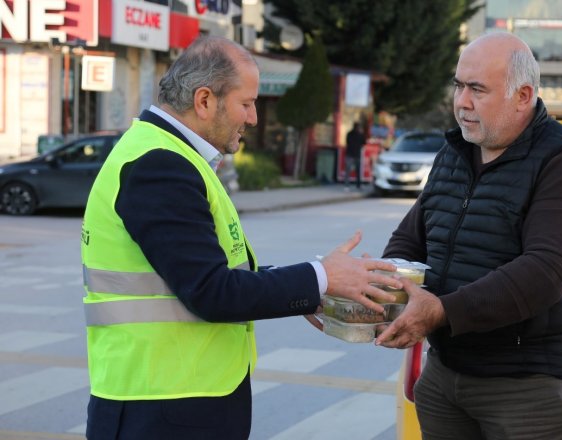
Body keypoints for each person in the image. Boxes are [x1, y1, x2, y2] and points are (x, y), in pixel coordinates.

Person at [80, 36, 400, 440]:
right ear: (204, 101)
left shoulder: (170, 156)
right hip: (164, 404)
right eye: (246, 104)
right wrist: (319, 276)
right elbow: (211, 291)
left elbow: (212, 273)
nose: (253, 117)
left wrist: (316, 285)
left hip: (174, 397)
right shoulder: (160, 165)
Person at [375, 32, 562, 440]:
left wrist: (442, 312)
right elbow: (411, 240)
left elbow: (545, 272)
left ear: (523, 95)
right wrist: (381, 294)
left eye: (477, 89)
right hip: (447, 375)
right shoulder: (454, 153)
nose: (461, 102)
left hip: (528, 388)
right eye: (459, 86)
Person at [344, 122, 366, 189]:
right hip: (356, 154)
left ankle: (347, 185)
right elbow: (364, 143)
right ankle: (358, 185)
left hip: (350, 153)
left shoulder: (349, 134)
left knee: (348, 170)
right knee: (357, 170)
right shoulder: (360, 134)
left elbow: (347, 142)